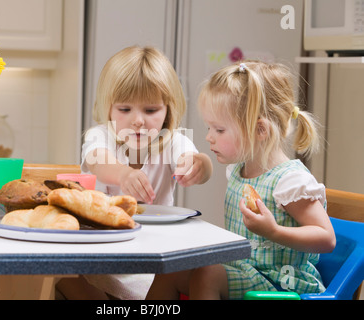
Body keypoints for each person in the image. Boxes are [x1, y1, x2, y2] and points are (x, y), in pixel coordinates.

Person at [146, 60, 336, 300]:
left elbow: (326, 238)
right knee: (169, 270)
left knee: (208, 275)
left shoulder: (290, 182)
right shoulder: (238, 170)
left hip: (280, 284)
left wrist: (274, 231)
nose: (208, 137)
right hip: (246, 270)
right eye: (209, 128)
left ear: (260, 130)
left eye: (219, 130)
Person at [56, 46, 213, 300]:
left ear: (167, 111)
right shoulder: (100, 136)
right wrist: (123, 174)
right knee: (62, 275)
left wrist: (197, 166)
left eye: (150, 111)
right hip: (103, 259)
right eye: (125, 109)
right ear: (108, 109)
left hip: (154, 263)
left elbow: (198, 161)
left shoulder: (172, 141)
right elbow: (99, 162)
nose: (138, 120)